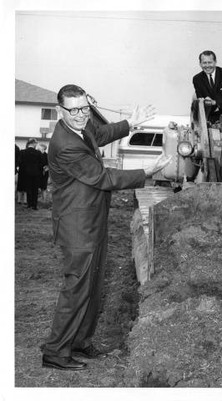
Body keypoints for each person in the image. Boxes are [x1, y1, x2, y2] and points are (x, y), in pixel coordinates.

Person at [41, 84, 171, 371]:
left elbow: (100, 134)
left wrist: (130, 123)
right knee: (77, 288)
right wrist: (145, 173)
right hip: (77, 227)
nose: (80, 115)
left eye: (84, 108)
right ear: (61, 110)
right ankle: (55, 351)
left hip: (91, 221)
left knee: (93, 286)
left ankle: (79, 342)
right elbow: (103, 177)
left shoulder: (83, 128)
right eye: (73, 110)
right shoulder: (66, 144)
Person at [192, 50, 222, 123]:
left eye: (210, 62)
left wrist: (215, 102)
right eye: (204, 63)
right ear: (200, 64)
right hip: (212, 116)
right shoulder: (197, 79)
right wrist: (205, 101)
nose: (207, 66)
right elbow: (201, 101)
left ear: (215, 62)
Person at [18, 138, 44, 210]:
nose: (36, 145)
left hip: (26, 174)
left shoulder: (22, 152)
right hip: (36, 173)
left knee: (28, 189)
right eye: (36, 143)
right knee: (35, 190)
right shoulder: (38, 153)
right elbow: (42, 163)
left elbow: (20, 163)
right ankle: (34, 205)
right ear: (33, 143)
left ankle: (29, 204)